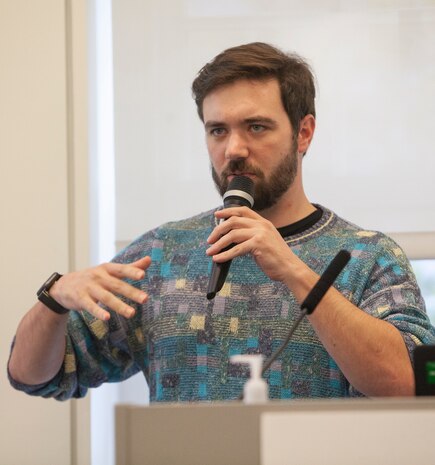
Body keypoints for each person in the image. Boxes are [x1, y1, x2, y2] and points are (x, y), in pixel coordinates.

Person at [8, 42, 435, 402]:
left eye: (255, 127)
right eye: (217, 130)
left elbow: (409, 384)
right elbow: (32, 374)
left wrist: (294, 271)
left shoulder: (366, 257)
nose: (234, 149)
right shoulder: (162, 253)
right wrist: (54, 299)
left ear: (303, 133)